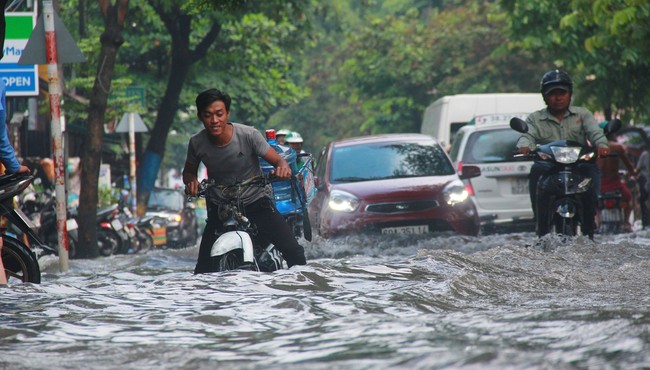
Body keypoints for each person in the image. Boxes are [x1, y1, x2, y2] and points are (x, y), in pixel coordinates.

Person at [182, 89, 306, 274]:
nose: (214, 120)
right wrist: (191, 182)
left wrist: (282, 169)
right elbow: (189, 173)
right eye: (208, 115)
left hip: (256, 201)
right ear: (200, 116)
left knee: (294, 252)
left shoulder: (249, 135)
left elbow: (278, 161)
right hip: (220, 207)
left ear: (227, 114)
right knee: (202, 272)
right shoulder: (196, 143)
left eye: (219, 114)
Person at [516, 69, 609, 239]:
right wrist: (524, 147)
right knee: (536, 170)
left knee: (591, 170)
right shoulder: (535, 119)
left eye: (562, 93)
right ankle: (540, 220)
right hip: (548, 166)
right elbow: (526, 136)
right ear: (544, 96)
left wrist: (602, 146)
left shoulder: (583, 114)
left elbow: (595, 133)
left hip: (578, 165)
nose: (558, 98)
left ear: (570, 94)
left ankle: (590, 216)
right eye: (552, 94)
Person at [597, 129, 638, 232]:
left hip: (601, 185)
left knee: (595, 203)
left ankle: (597, 222)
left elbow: (597, 167)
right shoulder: (618, 147)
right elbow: (629, 166)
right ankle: (626, 222)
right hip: (615, 185)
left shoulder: (597, 148)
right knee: (628, 198)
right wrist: (632, 172)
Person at [636, 139, 650, 228]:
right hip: (646, 181)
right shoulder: (645, 154)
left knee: (643, 200)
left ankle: (645, 222)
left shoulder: (645, 154)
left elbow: (637, 169)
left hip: (645, 180)